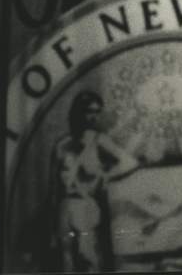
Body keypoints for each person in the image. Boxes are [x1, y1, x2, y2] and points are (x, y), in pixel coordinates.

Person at [49, 90, 140, 272]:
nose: (94, 116)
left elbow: (130, 162)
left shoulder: (100, 141)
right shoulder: (61, 145)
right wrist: (52, 226)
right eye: (89, 111)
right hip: (65, 207)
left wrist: (106, 175)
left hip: (87, 206)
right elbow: (54, 188)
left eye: (97, 111)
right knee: (66, 261)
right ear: (79, 112)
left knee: (88, 258)